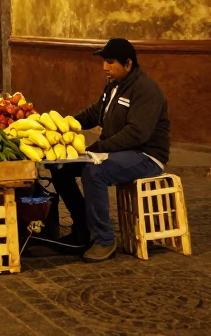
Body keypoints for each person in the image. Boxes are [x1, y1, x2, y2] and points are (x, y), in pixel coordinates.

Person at [47, 37, 171, 263]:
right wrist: (60, 125)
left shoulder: (145, 90)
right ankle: (83, 229)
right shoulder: (113, 87)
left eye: (111, 62)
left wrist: (98, 148)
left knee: (95, 172)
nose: (105, 67)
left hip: (145, 156)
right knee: (60, 168)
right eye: (104, 62)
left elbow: (137, 134)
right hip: (116, 152)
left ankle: (104, 239)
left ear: (128, 64)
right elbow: (92, 114)